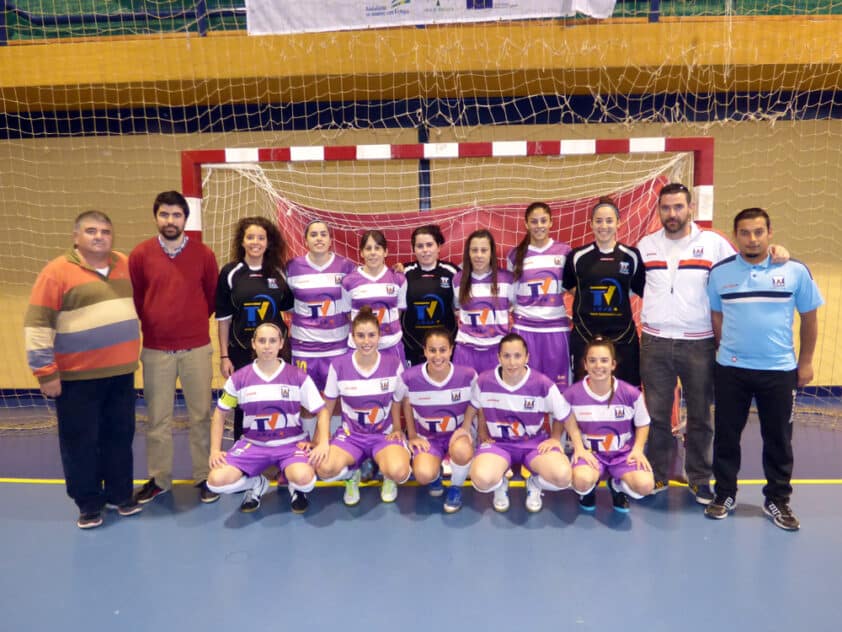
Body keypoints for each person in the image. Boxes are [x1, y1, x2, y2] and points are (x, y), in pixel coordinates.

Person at [705, 208, 822, 531]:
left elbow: (809, 318)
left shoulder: (795, 270)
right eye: (745, 233)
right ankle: (724, 494)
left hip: (780, 371)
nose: (752, 239)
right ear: (736, 236)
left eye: (758, 232)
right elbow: (717, 316)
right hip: (731, 370)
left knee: (779, 439)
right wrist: (726, 349)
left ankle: (777, 500)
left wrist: (806, 361)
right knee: (726, 436)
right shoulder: (720, 273)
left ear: (770, 233)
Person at [24, 211, 141, 529]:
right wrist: (45, 372)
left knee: (120, 437)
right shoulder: (56, 272)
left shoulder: (124, 263)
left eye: (105, 231)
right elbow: (37, 324)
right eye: (91, 231)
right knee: (80, 442)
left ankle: (120, 494)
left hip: (121, 374)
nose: (99, 236)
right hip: (77, 378)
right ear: (76, 237)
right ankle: (89, 503)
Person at [636, 183, 735, 504]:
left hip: (699, 343)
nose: (672, 213)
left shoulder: (713, 244)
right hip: (655, 342)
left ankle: (699, 478)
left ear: (690, 208)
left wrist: (774, 255)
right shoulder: (646, 246)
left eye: (678, 206)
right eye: (666, 208)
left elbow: (741, 271)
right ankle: (658, 473)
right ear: (659, 210)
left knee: (700, 416)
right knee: (657, 415)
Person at [129, 190, 220, 505]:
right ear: (156, 217)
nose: (170, 220)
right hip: (156, 351)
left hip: (196, 349)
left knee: (201, 416)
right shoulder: (140, 255)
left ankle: (205, 476)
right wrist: (158, 323)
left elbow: (211, 296)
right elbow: (137, 298)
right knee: (158, 419)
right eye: (164, 214)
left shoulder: (203, 254)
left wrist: (189, 324)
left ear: (185, 219)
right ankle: (159, 479)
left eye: (176, 215)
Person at [206, 323, 330, 514]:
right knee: (215, 481)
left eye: (272, 341)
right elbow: (220, 413)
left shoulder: (297, 376)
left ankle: (296, 487)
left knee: (305, 479)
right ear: (253, 344)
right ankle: (256, 483)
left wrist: (322, 443)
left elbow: (322, 411)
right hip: (253, 444)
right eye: (262, 341)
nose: (267, 346)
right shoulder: (238, 379)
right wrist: (215, 450)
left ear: (281, 344)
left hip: (291, 445)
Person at [315, 307, 411, 505]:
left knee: (400, 471)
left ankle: (388, 477)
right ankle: (352, 474)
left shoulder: (393, 364)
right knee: (323, 468)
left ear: (379, 336)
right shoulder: (339, 365)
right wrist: (323, 439)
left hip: (383, 435)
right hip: (352, 437)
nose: (366, 341)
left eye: (371, 335)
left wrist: (398, 428)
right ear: (352, 337)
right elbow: (327, 408)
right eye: (360, 335)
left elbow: (398, 399)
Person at [469, 333, 572, 513]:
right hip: (499, 444)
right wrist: (482, 432)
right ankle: (500, 484)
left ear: (527, 357)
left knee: (563, 477)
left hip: (534, 444)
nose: (512, 362)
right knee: (481, 480)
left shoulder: (542, 383)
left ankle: (534, 483)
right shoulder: (484, 381)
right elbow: (478, 406)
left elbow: (563, 414)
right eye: (506, 356)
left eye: (517, 356)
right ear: (499, 357)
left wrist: (555, 438)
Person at [216, 216, 294, 441]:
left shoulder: (278, 273)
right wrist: (224, 356)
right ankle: (243, 449)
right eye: (250, 237)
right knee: (244, 404)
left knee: (278, 401)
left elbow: (291, 309)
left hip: (276, 352)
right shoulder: (231, 273)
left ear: (268, 243)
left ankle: (280, 447)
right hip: (242, 351)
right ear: (242, 241)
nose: (255, 242)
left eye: (261, 238)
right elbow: (223, 319)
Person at [565, 337, 654, 513]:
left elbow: (643, 423)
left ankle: (617, 486)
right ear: (585, 364)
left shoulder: (631, 394)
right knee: (581, 481)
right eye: (592, 360)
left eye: (604, 360)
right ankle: (588, 489)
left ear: (613, 364)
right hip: (591, 454)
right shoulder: (572, 394)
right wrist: (578, 448)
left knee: (645, 486)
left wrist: (637, 450)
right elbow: (564, 419)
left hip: (622, 454)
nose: (598, 365)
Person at [563, 197, 646, 386]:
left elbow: (638, 289)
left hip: (623, 338)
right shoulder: (577, 256)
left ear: (618, 223)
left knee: (627, 392)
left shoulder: (631, 256)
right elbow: (572, 288)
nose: (604, 226)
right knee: (585, 391)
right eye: (599, 221)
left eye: (609, 221)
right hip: (585, 336)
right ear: (591, 224)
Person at [402, 328, 477, 513]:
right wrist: (412, 435)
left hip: (456, 435)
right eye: (432, 350)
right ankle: (435, 475)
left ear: (451, 350)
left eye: (443, 350)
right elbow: (405, 404)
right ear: (425, 351)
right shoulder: (410, 377)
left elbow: (476, 404)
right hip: (428, 437)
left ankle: (455, 488)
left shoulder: (467, 375)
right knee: (423, 474)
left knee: (462, 450)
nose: (437, 356)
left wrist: (467, 429)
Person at [286, 219, 356, 397]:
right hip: (304, 347)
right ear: (305, 240)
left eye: (323, 234)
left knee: (336, 398)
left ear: (330, 240)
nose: (319, 238)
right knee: (306, 399)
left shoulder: (346, 267)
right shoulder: (292, 267)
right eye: (314, 235)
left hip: (337, 346)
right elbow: (286, 304)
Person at [507, 202, 572, 389]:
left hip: (556, 329)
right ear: (526, 224)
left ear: (551, 222)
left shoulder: (565, 252)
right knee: (526, 388)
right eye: (534, 221)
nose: (539, 225)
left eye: (543, 220)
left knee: (558, 390)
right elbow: (511, 295)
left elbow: (572, 288)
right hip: (524, 329)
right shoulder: (515, 255)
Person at [453, 229, 515, 375]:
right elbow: (457, 308)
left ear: (491, 253)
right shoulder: (458, 280)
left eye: (484, 250)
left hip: (497, 350)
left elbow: (516, 307)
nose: (479, 255)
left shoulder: (507, 279)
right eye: (474, 250)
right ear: (468, 253)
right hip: (466, 350)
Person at [341, 230, 408, 364]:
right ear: (361, 253)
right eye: (368, 248)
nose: (373, 253)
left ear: (385, 252)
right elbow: (349, 314)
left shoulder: (398, 279)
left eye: (377, 248)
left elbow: (398, 311)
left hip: (391, 346)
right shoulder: (348, 281)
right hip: (360, 348)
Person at [400, 225, 459, 366]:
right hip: (412, 346)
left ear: (438, 246)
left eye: (429, 245)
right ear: (413, 249)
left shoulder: (452, 272)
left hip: (443, 348)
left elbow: (459, 308)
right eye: (420, 246)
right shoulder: (403, 273)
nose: (425, 250)